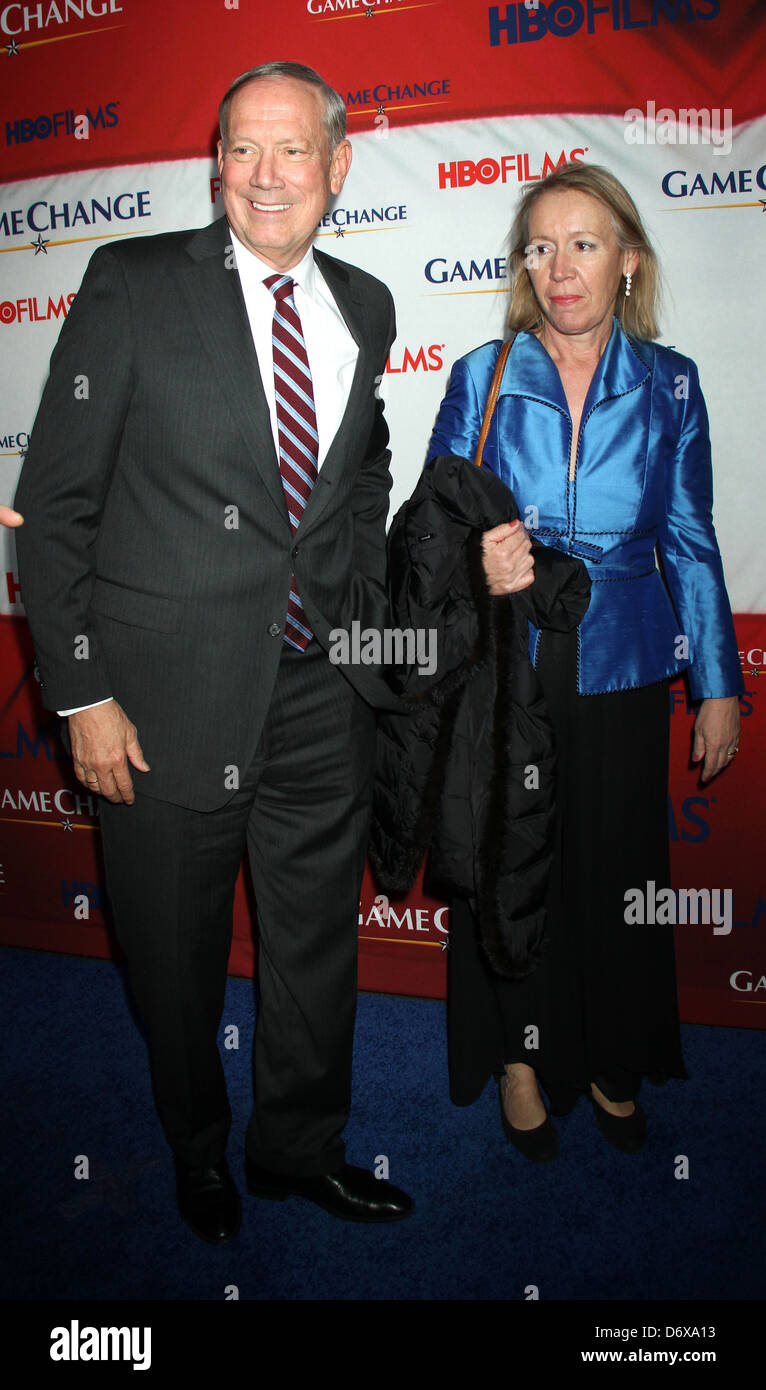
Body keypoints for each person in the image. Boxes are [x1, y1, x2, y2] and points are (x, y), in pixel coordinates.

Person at [14, 61, 413, 1241]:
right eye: (242, 148)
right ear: (214, 163)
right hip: (159, 702)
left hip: (317, 694)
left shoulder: (370, 302)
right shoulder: (131, 284)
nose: (265, 175)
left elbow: (362, 465)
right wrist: (81, 692)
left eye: (293, 150)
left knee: (313, 942)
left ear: (338, 167)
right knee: (173, 958)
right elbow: (55, 509)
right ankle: (196, 1149)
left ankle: (298, 1147)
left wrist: (362, 619)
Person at [423, 162, 742, 1160]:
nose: (560, 268)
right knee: (514, 866)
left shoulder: (670, 382)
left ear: (628, 261)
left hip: (628, 660)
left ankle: (611, 1051)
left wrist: (719, 684)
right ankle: (519, 1056)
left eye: (585, 244)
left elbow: (689, 536)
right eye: (541, 246)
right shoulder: (480, 373)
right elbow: (433, 526)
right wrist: (477, 553)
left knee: (615, 868)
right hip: (506, 660)